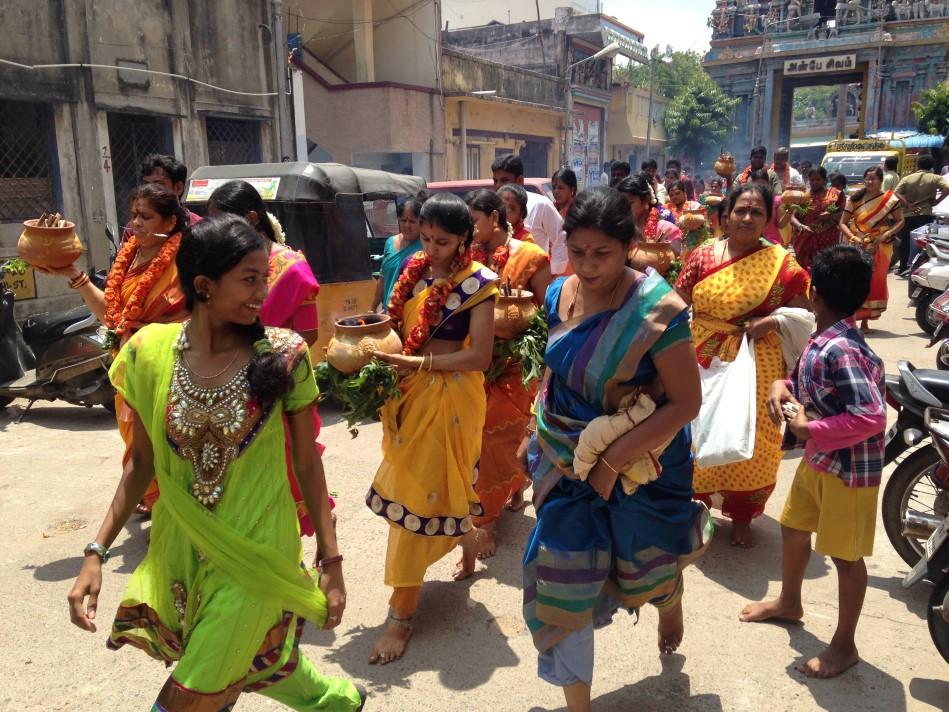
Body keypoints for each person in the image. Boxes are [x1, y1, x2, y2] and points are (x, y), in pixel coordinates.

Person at [66, 215, 364, 711]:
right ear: (204, 285)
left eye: (264, 279)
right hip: (185, 547)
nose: (262, 293)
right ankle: (336, 702)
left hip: (259, 552)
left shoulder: (285, 353)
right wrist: (95, 551)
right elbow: (140, 465)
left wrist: (331, 561)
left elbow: (308, 464)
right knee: (250, 661)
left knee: (192, 691)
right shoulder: (147, 354)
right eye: (250, 280)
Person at [522, 187, 711, 712]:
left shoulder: (657, 312)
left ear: (628, 246)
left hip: (643, 467)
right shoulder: (558, 295)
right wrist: (536, 431)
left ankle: (666, 598)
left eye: (601, 253)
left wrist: (609, 460)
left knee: (641, 565)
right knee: (562, 571)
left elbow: (685, 403)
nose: (587, 265)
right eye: (577, 251)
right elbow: (557, 373)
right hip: (566, 462)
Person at [741, 245, 885, 680]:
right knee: (794, 526)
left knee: (844, 557)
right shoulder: (823, 338)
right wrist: (781, 388)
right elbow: (804, 378)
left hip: (849, 472)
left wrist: (808, 430)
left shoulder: (841, 349)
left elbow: (871, 415)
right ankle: (789, 600)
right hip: (819, 462)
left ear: (814, 293)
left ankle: (845, 644)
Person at [368, 193, 499, 665]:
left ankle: (401, 618)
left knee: (414, 498)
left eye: (443, 241)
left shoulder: (479, 283)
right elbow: (394, 325)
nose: (431, 248)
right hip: (409, 391)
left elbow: (480, 355)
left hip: (451, 396)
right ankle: (467, 545)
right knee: (441, 484)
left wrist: (419, 361)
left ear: (465, 237)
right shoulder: (415, 271)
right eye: (424, 238)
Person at [676, 184, 811, 546]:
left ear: (769, 218)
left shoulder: (782, 264)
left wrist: (775, 321)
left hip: (757, 363)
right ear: (726, 215)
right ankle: (694, 506)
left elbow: (806, 314)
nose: (747, 218)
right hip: (701, 356)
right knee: (695, 432)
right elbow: (678, 300)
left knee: (755, 437)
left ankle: (742, 516)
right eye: (741, 210)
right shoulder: (703, 255)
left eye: (756, 212)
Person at [43, 183, 188, 515]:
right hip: (129, 364)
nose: (135, 223)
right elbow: (112, 315)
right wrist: (75, 276)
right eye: (134, 215)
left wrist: (152, 333)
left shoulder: (185, 260)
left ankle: (178, 515)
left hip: (171, 365)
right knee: (136, 441)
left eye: (146, 216)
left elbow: (196, 314)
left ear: (169, 223)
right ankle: (156, 503)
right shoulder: (129, 256)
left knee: (170, 444)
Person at [208, 180, 325, 537]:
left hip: (277, 385)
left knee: (285, 474)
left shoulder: (291, 268)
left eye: (221, 219)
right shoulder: (223, 265)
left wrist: (265, 356)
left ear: (251, 217)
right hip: (227, 383)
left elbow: (309, 335)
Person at [464, 189, 551, 560]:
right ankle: (487, 515)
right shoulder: (466, 258)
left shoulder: (531, 257)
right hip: (475, 364)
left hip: (516, 366)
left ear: (495, 220)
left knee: (503, 437)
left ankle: (490, 518)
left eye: (475, 221)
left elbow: (549, 316)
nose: (469, 228)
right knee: (477, 439)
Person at [839, 167, 905, 331]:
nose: (869, 182)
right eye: (867, 178)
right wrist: (853, 238)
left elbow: (900, 221)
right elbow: (842, 223)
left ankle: (865, 321)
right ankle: (850, 319)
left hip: (879, 245)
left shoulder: (889, 199)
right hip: (856, 244)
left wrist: (886, 234)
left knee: (874, 282)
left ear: (880, 180)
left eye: (873, 179)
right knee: (853, 282)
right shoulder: (854, 199)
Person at [491, 154, 566, 273]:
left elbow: (561, 239)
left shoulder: (540, 205)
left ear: (520, 180)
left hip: (535, 279)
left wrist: (554, 274)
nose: (498, 186)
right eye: (495, 181)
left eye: (504, 180)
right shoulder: (491, 209)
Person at [120, 155, 202, 243]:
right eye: (146, 184)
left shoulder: (198, 228)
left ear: (178, 188)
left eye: (158, 186)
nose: (149, 192)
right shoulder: (134, 228)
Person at [617, 173, 683, 277]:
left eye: (630, 204)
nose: (624, 209)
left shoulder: (667, 229)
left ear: (646, 200)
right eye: (621, 205)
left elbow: (674, 267)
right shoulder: (619, 230)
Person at [371, 194, 426, 311]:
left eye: (412, 221)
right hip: (388, 311)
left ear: (421, 223)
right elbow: (382, 278)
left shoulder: (425, 246)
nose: (407, 225)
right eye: (403, 220)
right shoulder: (390, 243)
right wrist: (373, 308)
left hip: (411, 313)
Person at [894, 155, 949, 273]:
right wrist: (937, 201)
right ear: (931, 166)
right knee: (924, 242)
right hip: (926, 214)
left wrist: (908, 204)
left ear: (917, 165)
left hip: (908, 214)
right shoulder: (935, 178)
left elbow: (897, 192)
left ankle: (903, 267)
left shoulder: (907, 178)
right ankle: (921, 267)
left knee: (905, 242)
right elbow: (947, 188)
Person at [791, 167, 846, 271]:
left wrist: (831, 215)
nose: (814, 182)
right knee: (805, 272)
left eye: (817, 180)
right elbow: (792, 217)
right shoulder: (803, 196)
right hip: (806, 241)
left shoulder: (835, 194)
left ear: (824, 180)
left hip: (828, 241)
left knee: (826, 270)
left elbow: (844, 214)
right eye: (812, 180)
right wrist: (800, 226)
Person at [751, 169, 793, 245]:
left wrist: (789, 213)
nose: (760, 188)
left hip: (772, 242)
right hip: (752, 241)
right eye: (757, 185)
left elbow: (780, 225)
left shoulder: (777, 200)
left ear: (768, 184)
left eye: (762, 184)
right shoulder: (748, 201)